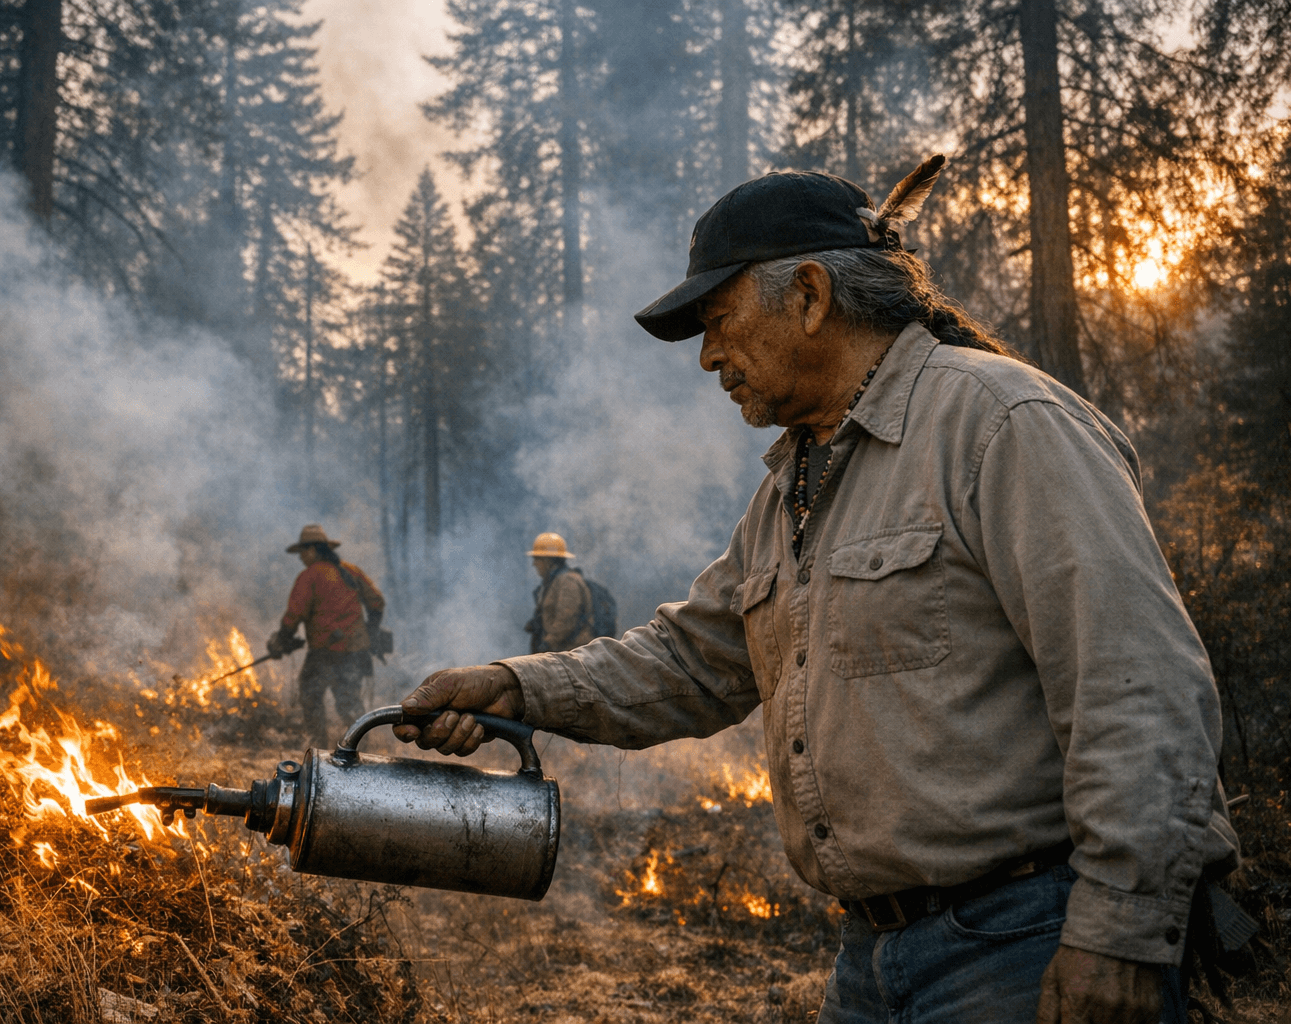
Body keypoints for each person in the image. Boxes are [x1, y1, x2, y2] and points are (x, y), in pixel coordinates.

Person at [392, 159, 1239, 1024]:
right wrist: (516, 686)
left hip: (1028, 945)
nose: (710, 357)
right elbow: (692, 661)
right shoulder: (793, 486)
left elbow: (1139, 688)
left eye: (719, 322)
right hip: (873, 962)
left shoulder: (1003, 424)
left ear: (807, 295)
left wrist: (1121, 931)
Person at [271, 524, 385, 745]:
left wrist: (282, 639)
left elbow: (294, 614)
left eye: (303, 552)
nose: (301, 557)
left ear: (313, 550)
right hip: (355, 652)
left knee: (311, 696)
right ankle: (362, 751)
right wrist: (371, 630)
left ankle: (318, 746)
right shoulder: (351, 572)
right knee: (350, 703)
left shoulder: (309, 576)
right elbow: (377, 602)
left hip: (324, 652)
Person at [523, 532, 595, 653]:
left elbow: (567, 619)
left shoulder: (568, 582)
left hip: (573, 656)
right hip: (562, 655)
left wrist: (548, 643)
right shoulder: (554, 582)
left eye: (537, 559)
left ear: (549, 561)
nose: (534, 564)